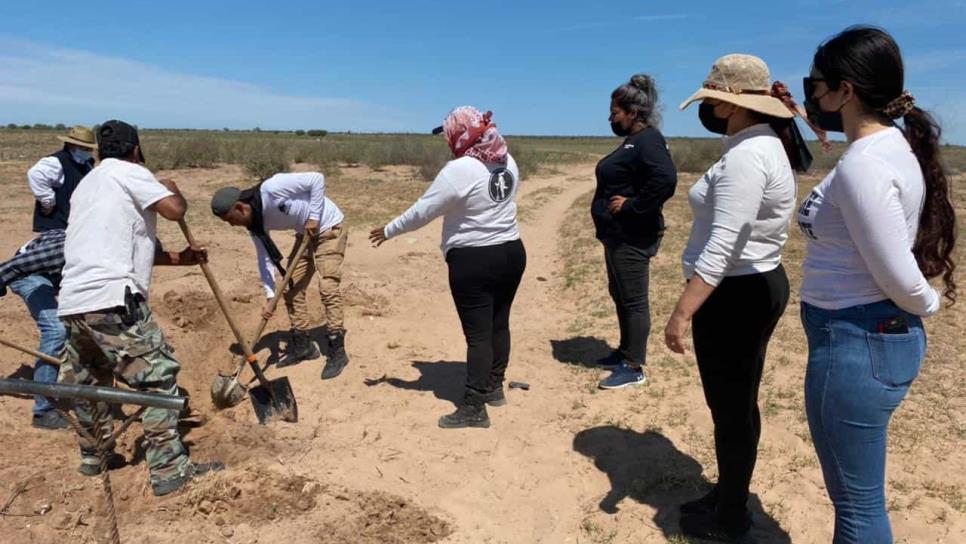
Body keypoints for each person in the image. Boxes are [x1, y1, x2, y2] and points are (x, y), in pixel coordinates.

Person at [799, 26, 957, 543]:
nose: (812, 95)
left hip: (855, 339)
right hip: (863, 337)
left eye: (816, 84)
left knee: (857, 506)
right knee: (859, 498)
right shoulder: (885, 148)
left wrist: (926, 303)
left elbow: (895, 271)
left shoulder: (865, 164)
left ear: (846, 90)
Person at [665, 54, 811, 541]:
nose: (707, 108)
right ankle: (730, 493)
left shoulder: (749, 156)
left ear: (729, 106)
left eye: (711, 99)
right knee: (735, 403)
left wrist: (683, 311)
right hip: (748, 288)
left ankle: (730, 517)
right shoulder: (757, 145)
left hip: (735, 294)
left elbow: (724, 244)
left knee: (731, 408)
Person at [57, 120, 223, 496]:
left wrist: (181, 259)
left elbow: (113, 244)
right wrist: (174, 192)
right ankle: (169, 470)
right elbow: (173, 211)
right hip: (113, 298)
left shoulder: (90, 183)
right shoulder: (132, 172)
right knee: (158, 379)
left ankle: (95, 455)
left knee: (89, 381)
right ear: (135, 149)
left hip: (74, 301)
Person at [369, 106, 526, 429]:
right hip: (512, 252)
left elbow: (423, 211)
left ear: (462, 133)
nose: (446, 141)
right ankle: (495, 387)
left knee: (478, 335)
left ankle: (473, 406)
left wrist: (388, 230)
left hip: (475, 259)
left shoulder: (460, 170)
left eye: (449, 134)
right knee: (499, 324)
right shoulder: (507, 160)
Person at [2, 125, 96, 430]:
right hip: (31, 273)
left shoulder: (87, 168)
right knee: (55, 329)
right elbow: (14, 266)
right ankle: (43, 411)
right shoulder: (62, 247)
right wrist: (47, 201)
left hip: (55, 271)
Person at [210, 172, 349, 378]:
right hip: (305, 236)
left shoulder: (272, 189)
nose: (232, 224)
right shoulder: (255, 225)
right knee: (290, 287)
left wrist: (313, 217)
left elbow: (317, 179)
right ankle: (304, 347)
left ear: (240, 207)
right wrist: (269, 297)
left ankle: (338, 350)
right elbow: (264, 259)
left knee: (328, 287)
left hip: (329, 227)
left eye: (230, 219)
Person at [591, 74, 677, 389]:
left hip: (633, 235)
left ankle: (633, 366)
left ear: (633, 113)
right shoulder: (633, 141)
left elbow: (665, 180)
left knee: (634, 299)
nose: (611, 118)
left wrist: (632, 206)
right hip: (617, 235)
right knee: (621, 295)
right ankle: (624, 351)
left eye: (615, 112)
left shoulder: (649, 140)